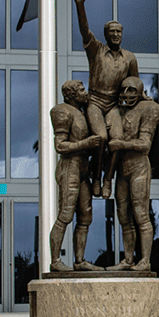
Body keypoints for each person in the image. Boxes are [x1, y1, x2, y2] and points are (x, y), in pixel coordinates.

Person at [74, 0, 139, 199]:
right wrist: (80, 5)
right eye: (112, 32)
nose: (115, 35)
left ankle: (108, 178)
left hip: (113, 105)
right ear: (106, 35)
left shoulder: (129, 58)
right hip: (95, 101)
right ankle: (95, 177)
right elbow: (84, 30)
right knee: (101, 137)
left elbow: (135, 83)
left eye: (118, 32)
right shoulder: (96, 50)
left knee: (116, 140)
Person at [104, 76, 159, 272]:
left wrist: (121, 144)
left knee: (141, 214)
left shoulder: (149, 109)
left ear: (139, 92)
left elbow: (145, 144)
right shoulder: (117, 111)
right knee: (123, 215)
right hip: (122, 167)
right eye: (123, 89)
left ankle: (145, 260)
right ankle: (128, 259)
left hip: (138, 166)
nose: (126, 94)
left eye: (131, 90)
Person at [48, 80, 103, 273]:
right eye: (80, 90)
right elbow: (60, 146)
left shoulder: (83, 110)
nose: (85, 92)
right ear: (70, 95)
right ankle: (55, 261)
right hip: (69, 166)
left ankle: (79, 260)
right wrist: (86, 143)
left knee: (85, 216)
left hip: (82, 168)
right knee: (65, 215)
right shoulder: (61, 111)